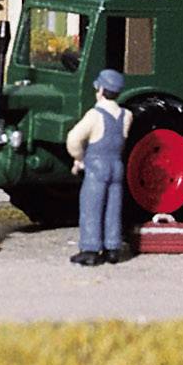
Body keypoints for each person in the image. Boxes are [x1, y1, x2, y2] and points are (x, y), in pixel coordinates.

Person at [67, 66, 134, 265]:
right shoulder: (126, 115)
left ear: (102, 91)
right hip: (116, 165)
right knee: (113, 207)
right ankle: (113, 248)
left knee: (92, 207)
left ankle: (90, 249)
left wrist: (79, 158)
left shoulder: (95, 115)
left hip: (97, 166)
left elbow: (74, 138)